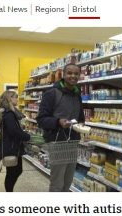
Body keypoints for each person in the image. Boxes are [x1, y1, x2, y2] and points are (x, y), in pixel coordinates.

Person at [37, 63, 85, 192]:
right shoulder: (52, 93)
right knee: (57, 181)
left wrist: (82, 124)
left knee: (68, 180)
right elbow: (41, 119)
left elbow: (80, 116)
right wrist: (58, 122)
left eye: (76, 73)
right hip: (57, 141)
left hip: (73, 141)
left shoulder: (77, 93)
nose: (73, 76)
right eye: (69, 73)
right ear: (63, 75)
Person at [0, 90, 30, 192]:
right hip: (11, 146)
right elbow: (14, 131)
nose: (17, 99)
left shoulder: (9, 111)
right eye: (16, 97)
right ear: (10, 99)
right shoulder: (9, 113)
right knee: (13, 172)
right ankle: (9, 192)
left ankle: (9, 190)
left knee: (16, 171)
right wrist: (27, 137)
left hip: (11, 145)